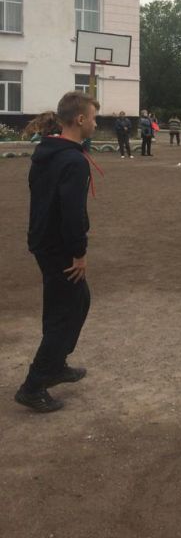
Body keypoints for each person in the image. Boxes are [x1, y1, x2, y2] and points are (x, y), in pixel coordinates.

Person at [15, 92, 99, 413]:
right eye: (93, 118)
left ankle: (56, 364)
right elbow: (72, 213)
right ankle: (34, 385)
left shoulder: (47, 152)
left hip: (43, 240)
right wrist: (79, 253)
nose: (95, 124)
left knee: (75, 302)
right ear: (80, 119)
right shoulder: (73, 161)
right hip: (59, 246)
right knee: (66, 311)